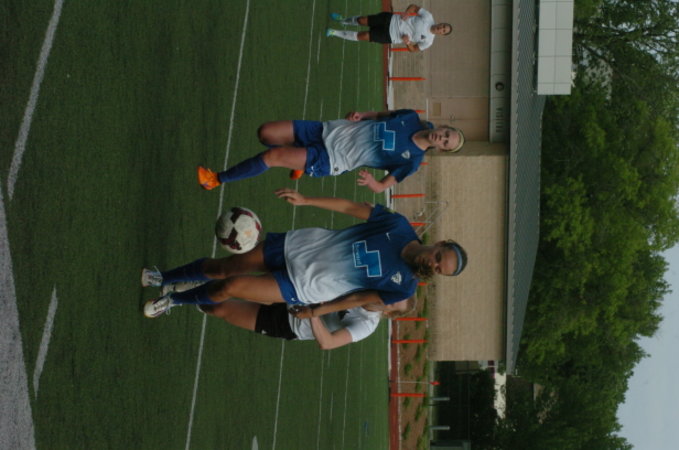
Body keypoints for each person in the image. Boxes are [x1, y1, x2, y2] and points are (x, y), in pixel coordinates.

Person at [141, 188, 467, 319]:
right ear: (439, 244)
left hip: (306, 286)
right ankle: (163, 276)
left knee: (229, 287)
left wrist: (318, 311)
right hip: (299, 247)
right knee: (222, 268)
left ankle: (174, 300)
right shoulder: (398, 225)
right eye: (440, 258)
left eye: (440, 269)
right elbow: (350, 207)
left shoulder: (404, 287)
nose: (434, 264)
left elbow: (357, 299)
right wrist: (307, 200)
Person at [197, 109, 464, 194]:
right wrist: (363, 115)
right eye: (446, 133)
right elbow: (384, 114)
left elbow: (383, 187)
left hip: (333, 159)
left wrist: (373, 182)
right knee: (265, 133)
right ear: (443, 126)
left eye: (445, 143)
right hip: (327, 131)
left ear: (441, 149)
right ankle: (298, 162)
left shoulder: (412, 161)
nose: (441, 138)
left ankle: (216, 179)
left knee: (272, 157)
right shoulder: (411, 117)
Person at [192, 296, 414, 350]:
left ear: (389, 313)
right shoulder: (368, 286)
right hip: (294, 291)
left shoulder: (366, 325)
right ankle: (186, 290)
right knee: (231, 286)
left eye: (393, 303)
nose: (388, 299)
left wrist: (313, 314)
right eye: (393, 296)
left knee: (221, 309)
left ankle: (194, 300)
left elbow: (328, 342)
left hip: (290, 323)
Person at [326, 5, 452, 52]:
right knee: (362, 20)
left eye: (443, 31)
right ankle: (342, 20)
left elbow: (413, 49)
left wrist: (407, 42)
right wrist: (407, 13)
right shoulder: (428, 16)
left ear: (441, 34)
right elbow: (413, 7)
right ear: (441, 23)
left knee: (363, 36)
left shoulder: (428, 41)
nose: (441, 28)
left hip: (391, 36)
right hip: (391, 19)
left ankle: (334, 32)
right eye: (443, 26)